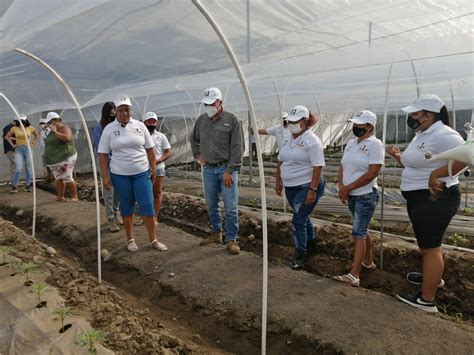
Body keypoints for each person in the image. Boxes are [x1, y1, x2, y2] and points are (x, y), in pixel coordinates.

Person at [387, 94, 467, 313]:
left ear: (429, 115)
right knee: (426, 244)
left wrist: (437, 174)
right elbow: (414, 163)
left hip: (436, 197)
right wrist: (397, 156)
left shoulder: (444, 134)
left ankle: (426, 299)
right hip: (419, 197)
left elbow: (468, 155)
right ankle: (432, 278)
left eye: (415, 113)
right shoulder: (422, 133)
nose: (411, 117)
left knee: (431, 247)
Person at [98, 96, 167, 252]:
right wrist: (105, 177)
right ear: (116, 111)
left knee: (147, 205)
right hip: (120, 174)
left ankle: (153, 239)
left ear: (131, 111)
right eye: (121, 110)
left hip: (141, 172)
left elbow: (149, 148)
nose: (124, 113)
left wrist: (153, 167)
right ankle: (130, 239)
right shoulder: (109, 129)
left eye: (127, 110)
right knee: (126, 206)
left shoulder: (140, 126)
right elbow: (102, 155)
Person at [333, 110, 384, 287]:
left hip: (365, 195)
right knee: (361, 229)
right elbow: (342, 167)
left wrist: (348, 187)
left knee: (358, 233)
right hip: (352, 195)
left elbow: (372, 173)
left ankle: (354, 274)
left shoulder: (375, 145)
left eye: (360, 125)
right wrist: (341, 187)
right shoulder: (351, 144)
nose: (355, 127)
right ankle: (367, 262)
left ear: (370, 126)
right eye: (354, 124)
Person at [191, 87, 243, 254]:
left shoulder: (232, 120)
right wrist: (198, 155)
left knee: (231, 206)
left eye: (211, 103)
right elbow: (194, 139)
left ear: (220, 102)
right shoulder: (201, 120)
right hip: (209, 169)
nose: (208, 106)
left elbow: (237, 147)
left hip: (226, 169)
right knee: (212, 203)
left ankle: (232, 239)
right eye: (205, 104)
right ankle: (216, 232)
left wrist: (230, 170)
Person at [275, 105, 326, 269]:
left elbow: (318, 166)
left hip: (306, 185)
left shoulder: (312, 141)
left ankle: (300, 254)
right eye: (290, 121)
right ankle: (311, 245)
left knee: (298, 220)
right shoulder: (288, 137)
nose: (291, 124)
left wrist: (312, 190)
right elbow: (280, 160)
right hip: (291, 186)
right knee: (303, 217)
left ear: (304, 122)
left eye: (295, 121)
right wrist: (278, 181)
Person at [92, 102, 123, 233]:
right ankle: (110, 219)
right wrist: (111, 158)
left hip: (120, 163)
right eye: (111, 111)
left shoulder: (117, 126)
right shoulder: (99, 128)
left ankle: (117, 213)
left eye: (114, 111)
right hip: (108, 163)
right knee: (109, 190)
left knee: (119, 191)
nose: (113, 113)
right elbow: (101, 148)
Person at [142, 112, 172, 224]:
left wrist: (158, 161)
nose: (152, 123)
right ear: (144, 122)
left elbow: (168, 152)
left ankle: (155, 216)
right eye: (149, 121)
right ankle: (145, 216)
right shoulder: (140, 136)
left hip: (159, 168)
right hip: (143, 168)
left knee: (157, 192)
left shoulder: (161, 136)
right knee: (144, 193)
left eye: (153, 121)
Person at [43, 111, 79, 201]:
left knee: (67, 176)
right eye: (48, 122)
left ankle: (75, 196)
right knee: (59, 177)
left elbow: (67, 138)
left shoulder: (64, 128)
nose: (48, 124)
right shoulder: (49, 131)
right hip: (55, 159)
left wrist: (55, 132)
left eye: (50, 122)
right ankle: (60, 196)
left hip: (66, 156)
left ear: (55, 120)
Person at [5, 115, 37, 193]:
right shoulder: (14, 128)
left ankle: (28, 185)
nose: (21, 122)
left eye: (22, 121)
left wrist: (33, 142)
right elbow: (7, 137)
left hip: (28, 149)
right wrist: (13, 145)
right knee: (18, 168)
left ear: (26, 121)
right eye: (20, 121)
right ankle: (14, 186)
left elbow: (36, 135)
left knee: (28, 168)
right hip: (18, 150)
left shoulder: (30, 128)